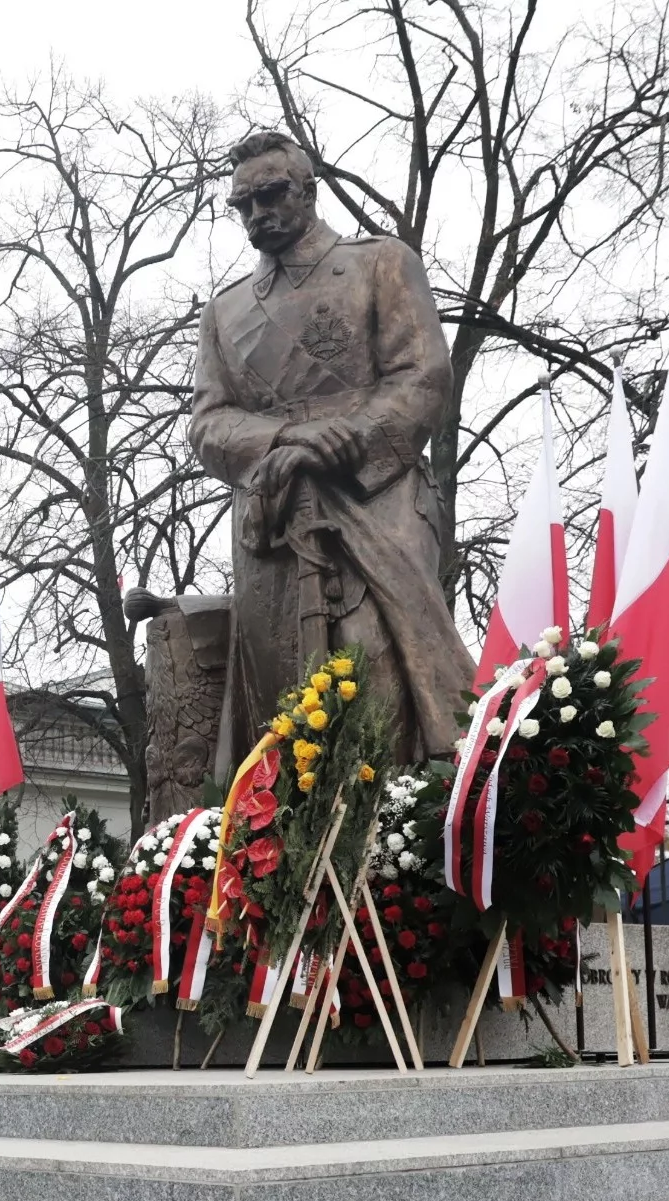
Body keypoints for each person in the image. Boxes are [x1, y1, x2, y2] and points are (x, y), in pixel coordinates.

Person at [189, 130, 475, 760]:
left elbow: (423, 375)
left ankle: (398, 840)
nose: (258, 213)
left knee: (379, 677)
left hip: (375, 496)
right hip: (274, 521)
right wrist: (288, 439)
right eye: (244, 204)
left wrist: (345, 441)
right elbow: (207, 424)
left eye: (271, 194)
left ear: (308, 191)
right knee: (283, 703)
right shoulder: (224, 312)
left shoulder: (381, 263)